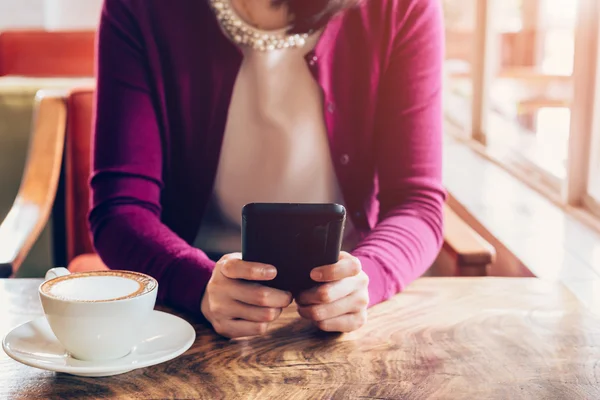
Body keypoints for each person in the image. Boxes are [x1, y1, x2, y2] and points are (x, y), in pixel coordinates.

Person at [90, 0, 445, 339]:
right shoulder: (139, 7)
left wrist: (368, 275)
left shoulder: (400, 8)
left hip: (347, 298)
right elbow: (121, 209)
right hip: (193, 304)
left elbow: (418, 203)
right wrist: (196, 282)